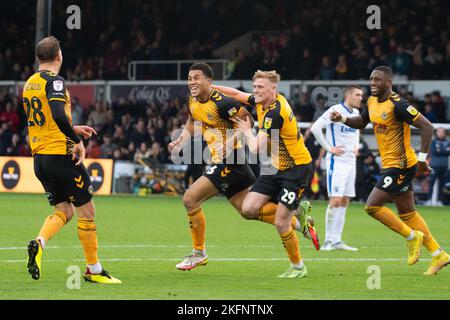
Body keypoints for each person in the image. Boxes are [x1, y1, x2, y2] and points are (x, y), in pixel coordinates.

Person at [168, 63, 315, 272]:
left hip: (232, 160)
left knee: (190, 198)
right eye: (190, 78)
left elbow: (248, 122)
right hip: (235, 161)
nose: (191, 82)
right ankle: (300, 222)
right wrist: (182, 139)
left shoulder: (234, 106)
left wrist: (233, 139)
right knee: (246, 210)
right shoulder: (193, 98)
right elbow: (194, 119)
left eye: (196, 78)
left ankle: (199, 253)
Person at [330, 66, 449, 275]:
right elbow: (361, 122)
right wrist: (342, 119)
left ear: (389, 83)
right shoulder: (371, 101)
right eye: (371, 79)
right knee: (408, 213)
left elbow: (427, 127)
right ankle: (439, 254)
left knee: (372, 207)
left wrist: (422, 159)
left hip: (401, 165)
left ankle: (413, 237)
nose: (373, 83)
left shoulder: (398, 104)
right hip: (390, 164)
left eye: (377, 80)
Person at [23, 36, 120, 284]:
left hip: (40, 159)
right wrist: (75, 140)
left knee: (64, 209)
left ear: (38, 58)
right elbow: (56, 113)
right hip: (61, 155)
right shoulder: (54, 81)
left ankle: (40, 243)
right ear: (59, 56)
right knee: (86, 210)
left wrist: (72, 128)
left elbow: (46, 119)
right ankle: (94, 270)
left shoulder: (30, 83)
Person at [213, 70, 318, 278]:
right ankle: (298, 212)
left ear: (273, 89)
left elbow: (253, 148)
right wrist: (212, 88)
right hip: (276, 167)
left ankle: (298, 267)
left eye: (260, 87)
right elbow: (235, 94)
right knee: (249, 208)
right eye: (254, 87)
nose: (255, 91)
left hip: (296, 169)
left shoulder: (274, 112)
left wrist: (244, 130)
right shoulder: (264, 101)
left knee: (280, 222)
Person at [311, 86, 363, 251]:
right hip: (337, 161)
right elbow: (315, 128)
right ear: (348, 96)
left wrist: (356, 146)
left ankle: (337, 240)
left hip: (350, 161)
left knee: (345, 200)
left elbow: (356, 130)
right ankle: (327, 241)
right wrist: (328, 148)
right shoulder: (335, 110)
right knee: (335, 200)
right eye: (357, 95)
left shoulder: (355, 114)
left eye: (361, 95)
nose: (361, 98)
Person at [426, 128, 450, 206]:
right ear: (436, 133)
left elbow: (447, 152)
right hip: (434, 166)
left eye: (442, 132)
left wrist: (441, 150)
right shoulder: (433, 141)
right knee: (431, 183)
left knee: (442, 185)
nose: (441, 133)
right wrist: (445, 150)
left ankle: (439, 201)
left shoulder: (447, 142)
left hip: (444, 166)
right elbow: (435, 152)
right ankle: (429, 200)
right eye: (439, 131)